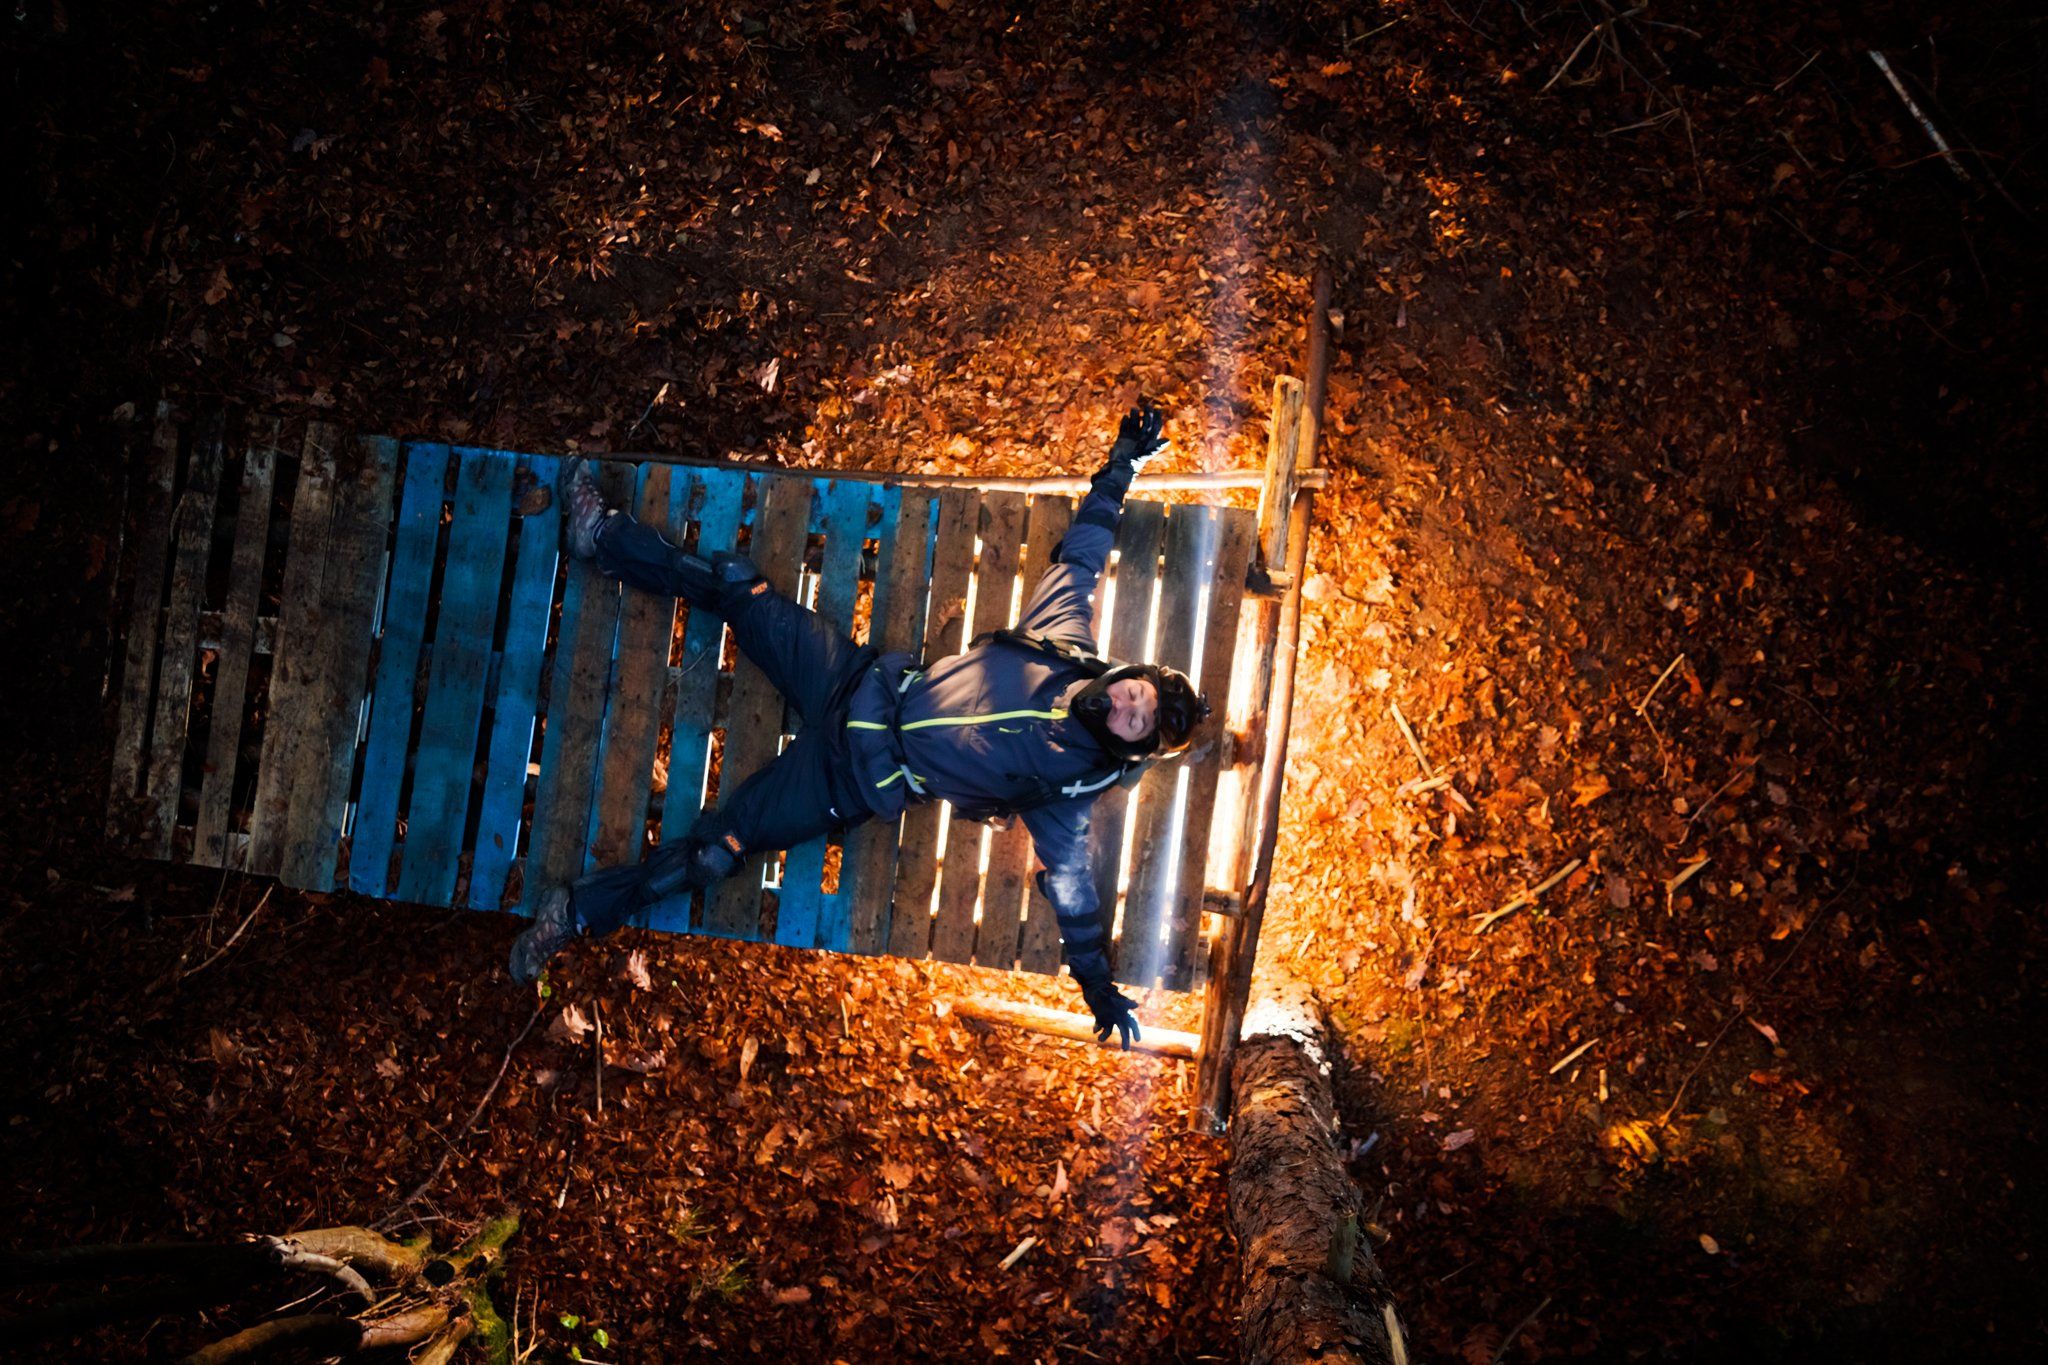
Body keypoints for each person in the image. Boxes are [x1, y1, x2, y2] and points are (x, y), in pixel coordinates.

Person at [508, 405, 1210, 1049]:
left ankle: (571, 914)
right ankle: (600, 536)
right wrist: (1123, 463)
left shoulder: (1070, 786)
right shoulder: (1062, 637)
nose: (1126, 707)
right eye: (1138, 693)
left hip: (852, 777)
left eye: (1138, 723)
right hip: (855, 681)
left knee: (718, 852)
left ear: (1133, 746)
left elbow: (1075, 895)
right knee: (733, 584)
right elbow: (1084, 554)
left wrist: (1095, 983)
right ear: (1132, 673)